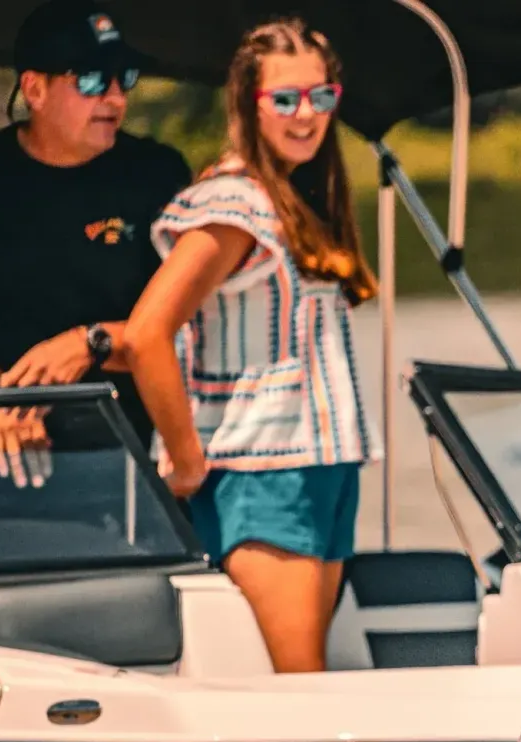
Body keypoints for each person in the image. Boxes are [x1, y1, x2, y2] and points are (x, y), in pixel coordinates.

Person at [124, 18, 377, 673]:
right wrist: (184, 460)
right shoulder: (231, 204)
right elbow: (147, 332)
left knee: (308, 683)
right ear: (248, 103)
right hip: (263, 472)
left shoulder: (292, 198)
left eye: (321, 97)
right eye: (285, 99)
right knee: (302, 693)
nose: (306, 115)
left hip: (321, 464)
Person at [0, 0, 190, 487]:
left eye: (126, 78)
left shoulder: (158, 176)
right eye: (93, 80)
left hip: (131, 452)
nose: (115, 98)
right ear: (34, 89)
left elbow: (193, 324)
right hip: (0, 447)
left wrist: (91, 342)